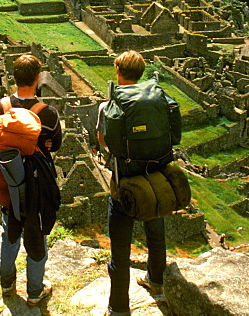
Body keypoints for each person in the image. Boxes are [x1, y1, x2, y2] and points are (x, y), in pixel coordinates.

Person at [97, 51, 168, 315]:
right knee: (156, 231)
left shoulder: (109, 107)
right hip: (153, 178)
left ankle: (118, 307)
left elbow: (103, 141)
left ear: (118, 72)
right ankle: (157, 282)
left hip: (125, 182)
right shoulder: (156, 101)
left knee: (120, 250)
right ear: (141, 73)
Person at [0, 54, 62, 307]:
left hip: (8, 180)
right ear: (37, 78)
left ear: (14, 76)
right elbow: (55, 145)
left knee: (9, 231)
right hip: (37, 184)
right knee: (37, 233)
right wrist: (44, 143)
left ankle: (7, 283)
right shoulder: (48, 114)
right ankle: (34, 291)